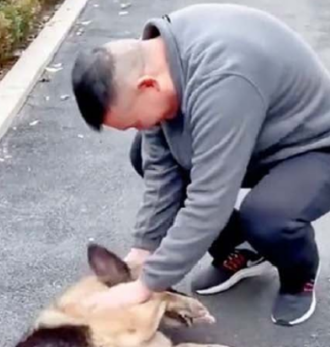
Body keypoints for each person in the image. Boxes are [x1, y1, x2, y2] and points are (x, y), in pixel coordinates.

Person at [70, 3, 330, 326]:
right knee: (143, 154)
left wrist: (144, 286)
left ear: (147, 86)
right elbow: (162, 172)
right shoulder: (157, 59)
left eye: (135, 121)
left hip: (313, 147)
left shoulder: (223, 78)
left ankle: (298, 277)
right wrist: (144, 249)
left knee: (266, 217)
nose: (140, 128)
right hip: (255, 138)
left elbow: (210, 200)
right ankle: (243, 249)